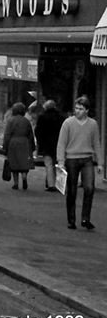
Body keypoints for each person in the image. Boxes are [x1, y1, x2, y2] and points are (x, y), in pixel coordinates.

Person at [57, 96, 102, 230]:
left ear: (87, 110)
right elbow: (61, 143)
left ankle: (85, 218)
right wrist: (61, 161)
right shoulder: (68, 123)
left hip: (87, 158)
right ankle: (71, 220)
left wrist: (100, 163)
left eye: (81, 109)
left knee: (89, 188)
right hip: (71, 158)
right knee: (72, 190)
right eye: (76, 108)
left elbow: (97, 144)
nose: (77, 111)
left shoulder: (93, 124)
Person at [2, 102, 36, 190]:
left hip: (13, 143)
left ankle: (16, 183)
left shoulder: (10, 120)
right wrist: (32, 146)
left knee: (14, 163)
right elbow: (30, 135)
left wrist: (5, 146)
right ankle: (24, 177)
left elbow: (7, 135)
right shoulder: (26, 121)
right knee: (24, 162)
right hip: (25, 143)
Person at [35, 100, 66, 192]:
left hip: (46, 145)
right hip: (59, 143)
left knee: (49, 164)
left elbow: (38, 131)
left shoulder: (42, 117)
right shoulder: (61, 118)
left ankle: (51, 185)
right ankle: (59, 184)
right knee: (59, 164)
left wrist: (40, 142)